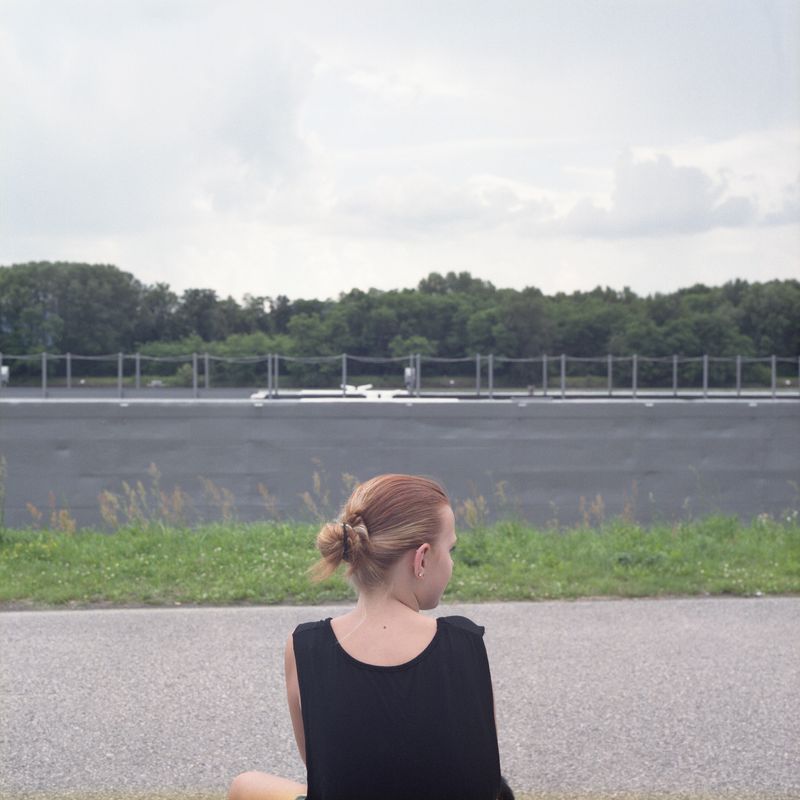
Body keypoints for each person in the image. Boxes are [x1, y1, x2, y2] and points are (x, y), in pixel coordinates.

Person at [228, 473, 511, 800]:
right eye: (450, 550)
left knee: (245, 786)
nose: (451, 564)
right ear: (421, 559)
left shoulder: (306, 647)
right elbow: (480, 770)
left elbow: (327, 773)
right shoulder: (465, 643)